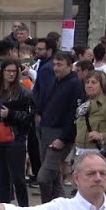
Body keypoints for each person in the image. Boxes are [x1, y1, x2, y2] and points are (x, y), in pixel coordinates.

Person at [37, 52, 85, 202]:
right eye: (54, 64)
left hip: (60, 135)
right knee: (54, 176)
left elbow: (74, 114)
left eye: (60, 65)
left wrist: (64, 138)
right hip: (45, 132)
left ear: (70, 66)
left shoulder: (75, 84)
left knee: (44, 177)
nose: (56, 68)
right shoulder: (54, 81)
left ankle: (46, 208)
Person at [0, 60, 36, 209]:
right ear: (2, 72)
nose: (11, 74)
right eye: (8, 71)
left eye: (14, 71)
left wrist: (11, 114)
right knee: (2, 178)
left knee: (18, 178)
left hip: (15, 139)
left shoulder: (24, 92)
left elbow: (30, 117)